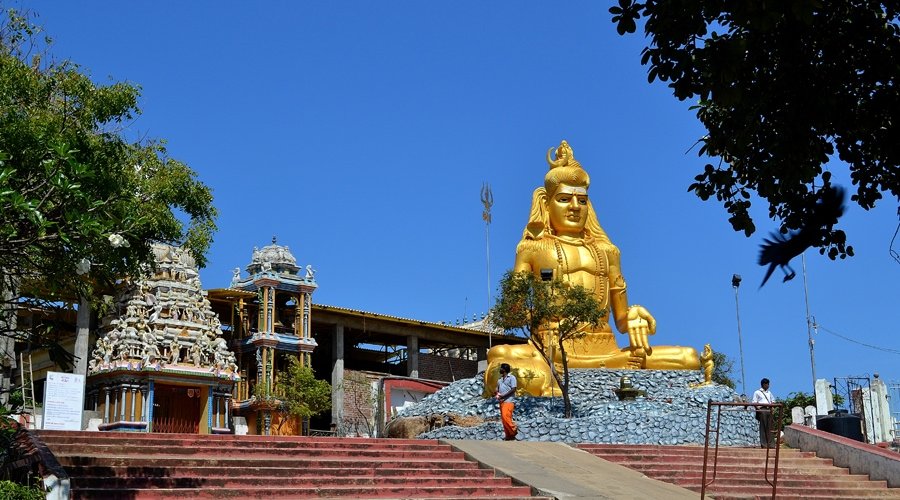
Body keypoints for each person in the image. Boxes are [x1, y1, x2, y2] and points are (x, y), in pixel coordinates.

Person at [485, 140, 700, 397]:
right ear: (546, 203)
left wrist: (634, 316)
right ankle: (565, 375)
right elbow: (513, 314)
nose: (575, 207)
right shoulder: (532, 249)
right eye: (565, 199)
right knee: (500, 357)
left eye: (582, 201)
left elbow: (620, 321)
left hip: (605, 347)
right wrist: (538, 312)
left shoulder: (608, 252)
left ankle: (563, 378)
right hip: (553, 346)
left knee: (689, 358)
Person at [495, 363, 518, 441]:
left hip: (509, 401)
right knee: (503, 420)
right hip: (501, 402)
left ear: (504, 369)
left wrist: (503, 396)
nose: (500, 370)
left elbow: (513, 389)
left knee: (506, 417)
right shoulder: (499, 380)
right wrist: (496, 392)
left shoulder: (512, 378)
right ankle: (509, 435)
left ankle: (513, 429)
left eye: (501, 368)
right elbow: (497, 389)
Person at [752, 378, 776, 448]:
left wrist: (772, 408)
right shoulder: (757, 392)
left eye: (768, 384)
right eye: (767, 384)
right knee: (763, 427)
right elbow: (754, 402)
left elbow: (773, 400)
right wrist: (758, 409)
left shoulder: (769, 392)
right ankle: (764, 444)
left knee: (770, 427)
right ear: (763, 384)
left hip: (769, 409)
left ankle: (771, 444)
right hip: (762, 409)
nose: (768, 385)